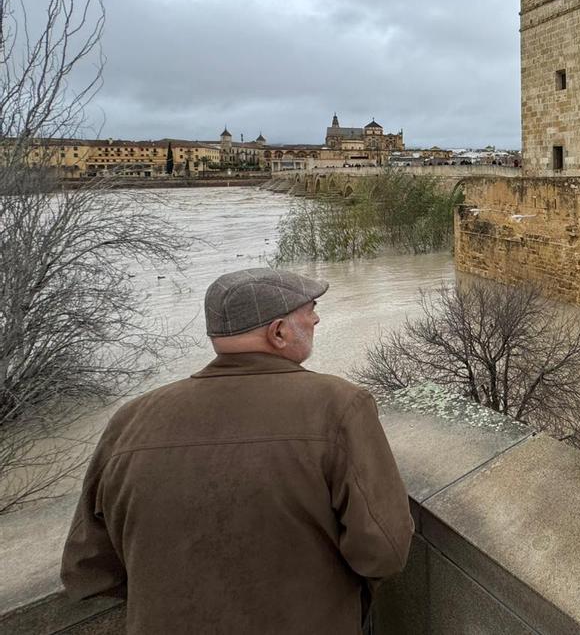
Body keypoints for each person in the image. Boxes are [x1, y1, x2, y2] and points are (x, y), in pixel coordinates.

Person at [60, 268, 414, 634]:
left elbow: (87, 568)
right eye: (310, 309)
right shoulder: (339, 405)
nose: (316, 318)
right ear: (278, 332)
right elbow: (384, 550)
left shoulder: (130, 419)